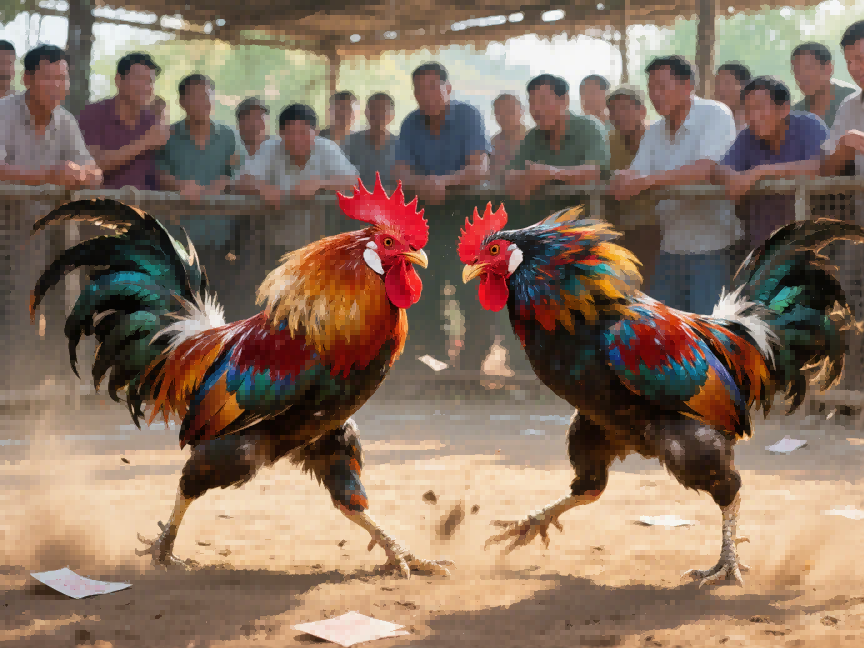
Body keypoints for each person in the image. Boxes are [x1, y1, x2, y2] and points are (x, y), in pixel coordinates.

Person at [0, 45, 102, 391]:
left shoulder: (65, 120)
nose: (57, 85)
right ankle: (12, 388)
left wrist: (84, 175)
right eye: (48, 77)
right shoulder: (3, 113)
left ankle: (50, 385)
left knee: (58, 303)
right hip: (8, 230)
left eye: (63, 78)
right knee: (13, 308)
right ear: (27, 79)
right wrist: (50, 174)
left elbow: (94, 171)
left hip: (51, 234)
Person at [609, 55, 740, 315]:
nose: (655, 95)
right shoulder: (655, 131)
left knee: (709, 333)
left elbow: (706, 169)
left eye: (662, 87)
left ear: (687, 86)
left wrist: (646, 181)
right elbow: (633, 175)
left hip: (712, 247)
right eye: (651, 89)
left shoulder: (715, 114)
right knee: (661, 332)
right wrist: (621, 179)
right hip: (670, 246)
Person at [156, 73, 244, 311]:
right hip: (179, 235)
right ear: (182, 102)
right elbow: (157, 173)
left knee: (216, 303)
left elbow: (242, 172)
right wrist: (180, 185)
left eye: (206, 96)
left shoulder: (228, 136)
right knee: (179, 304)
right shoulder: (169, 135)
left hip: (219, 236)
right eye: (193, 97)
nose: (201, 102)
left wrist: (225, 181)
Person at [711, 76, 828, 247]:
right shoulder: (747, 135)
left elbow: (821, 165)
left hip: (812, 242)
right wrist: (734, 179)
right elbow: (720, 170)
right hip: (764, 244)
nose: (753, 116)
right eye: (748, 109)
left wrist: (759, 172)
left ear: (784, 108)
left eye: (759, 108)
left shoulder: (809, 125)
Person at [505, 74, 608, 202]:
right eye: (532, 103)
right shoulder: (532, 137)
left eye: (543, 101)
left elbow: (595, 172)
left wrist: (552, 173)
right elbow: (511, 174)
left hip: (588, 214)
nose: (537, 109)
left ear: (564, 101)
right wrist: (523, 178)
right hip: (543, 216)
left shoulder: (590, 126)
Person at [78, 52, 167, 191]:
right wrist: (144, 142)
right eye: (138, 79)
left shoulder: (153, 121)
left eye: (149, 81)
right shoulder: (93, 114)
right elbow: (91, 166)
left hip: (144, 208)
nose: (145, 87)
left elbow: (163, 174)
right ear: (118, 80)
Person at [605, 85, 663, 292]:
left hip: (657, 228)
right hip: (620, 229)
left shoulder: (658, 136)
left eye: (625, 108)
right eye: (612, 110)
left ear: (642, 110)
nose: (619, 115)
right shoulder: (610, 141)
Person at [821, 21, 864, 203]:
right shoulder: (849, 106)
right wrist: (844, 146)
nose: (853, 68)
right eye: (849, 61)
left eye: (861, 58)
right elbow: (827, 171)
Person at [791, 42, 857, 129]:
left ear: (829, 68)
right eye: (797, 71)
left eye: (808, 68)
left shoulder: (854, 100)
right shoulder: (794, 114)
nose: (802, 77)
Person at [343, 92, 398, 191]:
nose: (378, 114)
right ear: (366, 112)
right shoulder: (350, 142)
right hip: (358, 200)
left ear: (392, 115)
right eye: (374, 109)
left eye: (383, 110)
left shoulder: (400, 145)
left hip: (390, 202)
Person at [489, 93, 526, 184]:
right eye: (499, 112)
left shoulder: (533, 139)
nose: (505, 116)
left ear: (521, 111)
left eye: (509, 111)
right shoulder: (492, 143)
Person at [714, 61, 751, 132]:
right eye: (717, 83)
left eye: (726, 83)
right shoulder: (711, 120)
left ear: (743, 87)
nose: (719, 89)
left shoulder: (755, 123)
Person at [236, 96, 273, 161]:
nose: (255, 124)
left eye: (259, 118)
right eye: (249, 119)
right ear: (240, 124)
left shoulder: (277, 151)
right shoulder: (233, 151)